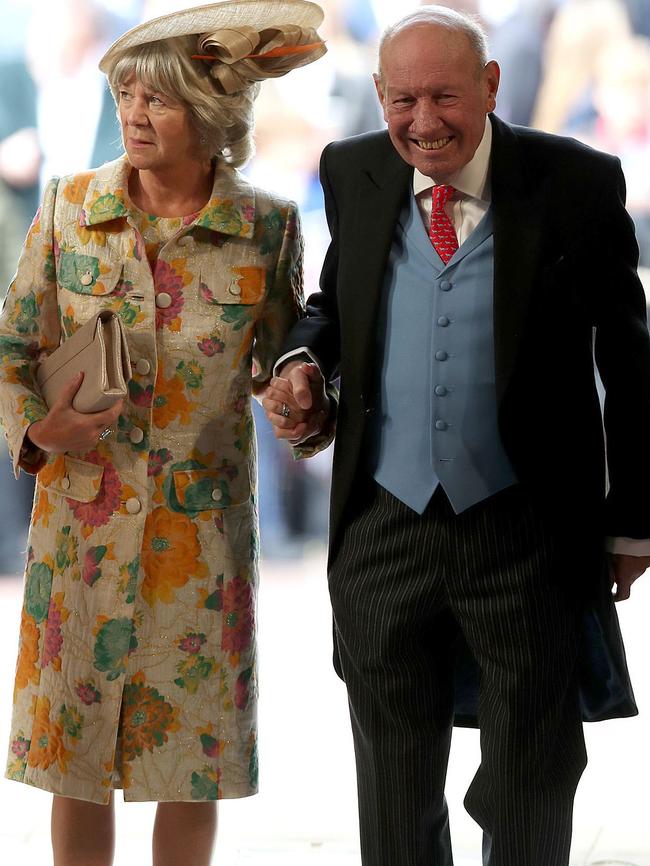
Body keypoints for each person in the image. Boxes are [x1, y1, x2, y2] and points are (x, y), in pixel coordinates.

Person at [263, 6, 650, 866]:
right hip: (382, 527)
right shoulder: (354, 170)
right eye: (403, 99)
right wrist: (301, 360)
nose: (423, 121)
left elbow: (631, 361)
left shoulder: (576, 182)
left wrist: (632, 519)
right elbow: (335, 306)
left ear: (491, 85)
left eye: (445, 96)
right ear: (378, 94)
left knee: (531, 777)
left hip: (527, 526)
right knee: (393, 783)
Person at [0, 2, 325, 865]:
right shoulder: (71, 209)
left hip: (201, 542)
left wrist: (299, 399)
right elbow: (12, 348)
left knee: (191, 759)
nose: (134, 115)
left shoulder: (266, 228)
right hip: (81, 536)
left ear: (212, 116)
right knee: (75, 758)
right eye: (125, 95)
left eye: (159, 100)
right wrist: (43, 430)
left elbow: (282, 367)